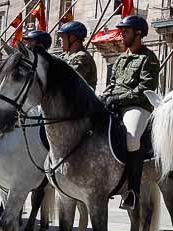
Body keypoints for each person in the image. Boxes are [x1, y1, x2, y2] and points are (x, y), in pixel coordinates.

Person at [102, 14, 159, 210]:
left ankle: (133, 190)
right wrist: (105, 97)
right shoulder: (119, 59)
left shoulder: (148, 58)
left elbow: (144, 89)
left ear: (138, 33)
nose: (122, 35)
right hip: (115, 104)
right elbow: (111, 85)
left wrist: (118, 98)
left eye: (125, 31)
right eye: (121, 31)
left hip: (137, 106)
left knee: (132, 137)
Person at [56, 21, 99, 89]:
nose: (59, 40)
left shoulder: (82, 57)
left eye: (62, 36)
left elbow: (67, 80)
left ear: (72, 37)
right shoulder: (64, 56)